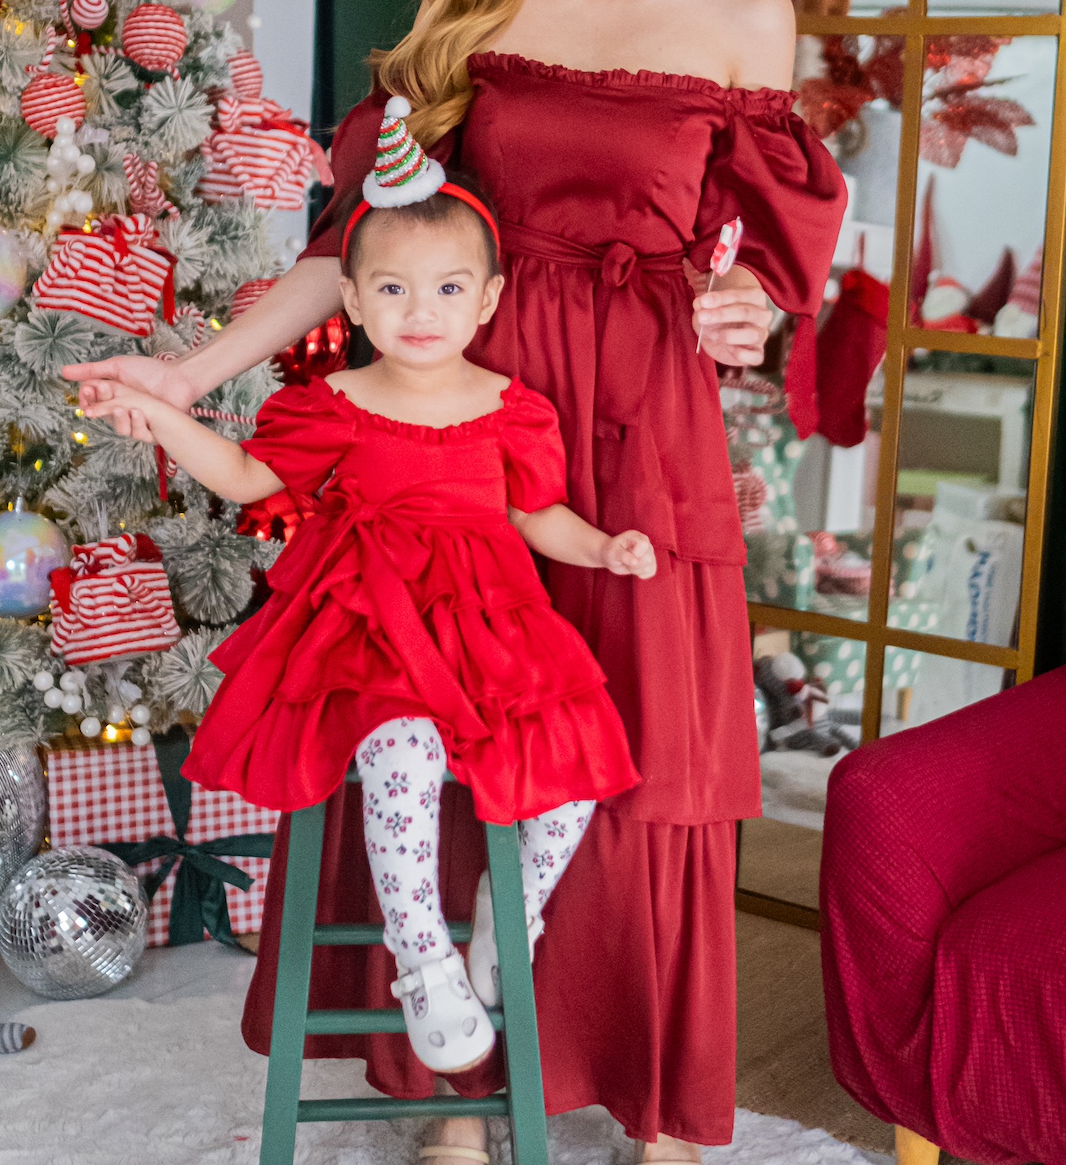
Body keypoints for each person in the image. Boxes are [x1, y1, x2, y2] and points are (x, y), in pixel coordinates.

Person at [67, 0, 845, 1158]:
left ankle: (654, 1099)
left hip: (641, 427)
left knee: (640, 748)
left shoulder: (740, 8)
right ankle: (461, 1092)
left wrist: (749, 312)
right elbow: (351, 251)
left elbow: (750, 256)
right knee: (432, 723)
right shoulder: (471, 0)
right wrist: (188, 375)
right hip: (458, 414)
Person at [80, 111, 649, 1073]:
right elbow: (247, 479)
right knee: (403, 749)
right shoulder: (336, 405)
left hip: (491, 628)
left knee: (577, 771)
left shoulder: (512, 411)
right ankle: (421, 959)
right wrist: (160, 414)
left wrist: (605, 547)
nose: (420, 311)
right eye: (391, 288)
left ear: (488, 299)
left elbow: (536, 515)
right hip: (371, 629)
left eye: (448, 289)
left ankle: (508, 914)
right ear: (350, 297)